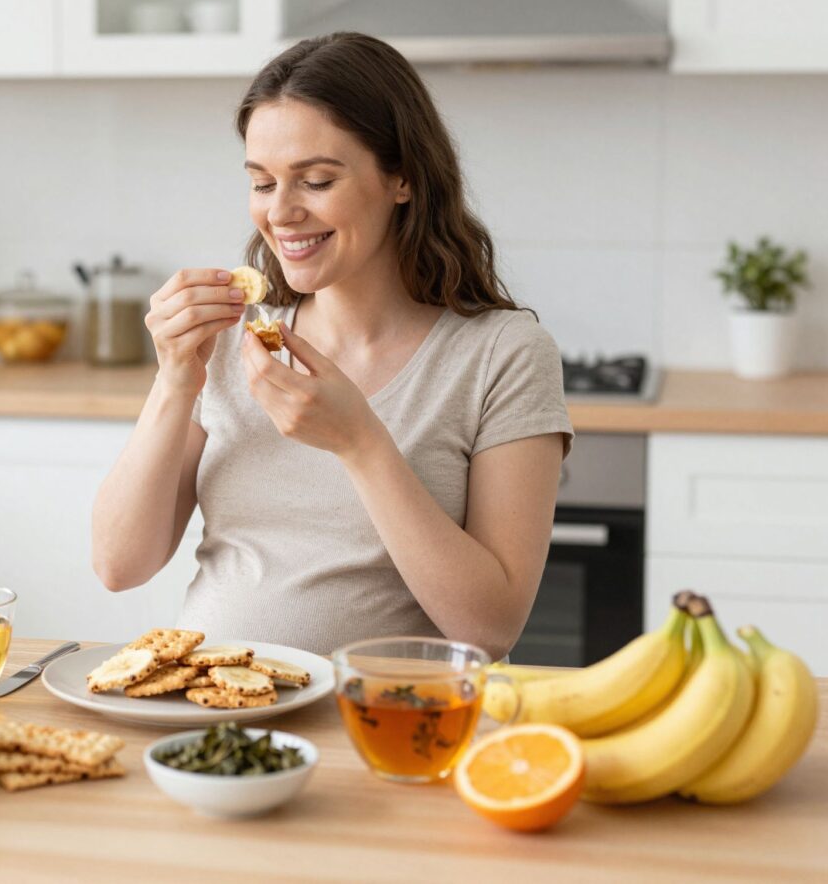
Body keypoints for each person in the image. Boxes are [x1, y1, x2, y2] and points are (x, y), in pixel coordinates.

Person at [92, 32, 573, 659]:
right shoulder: (234, 338)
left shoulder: (502, 355)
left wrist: (360, 442)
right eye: (262, 184)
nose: (281, 212)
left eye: (316, 180)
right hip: (211, 709)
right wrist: (175, 379)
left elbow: (489, 629)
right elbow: (119, 565)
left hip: (385, 727)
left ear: (401, 178)